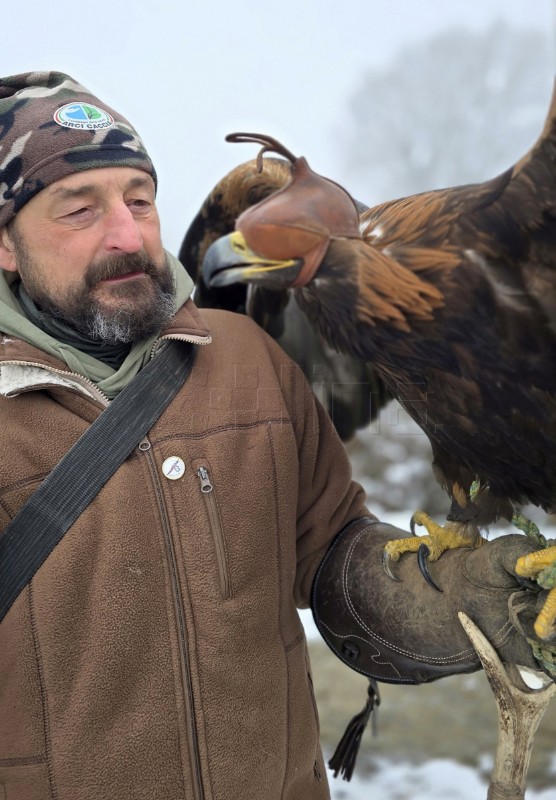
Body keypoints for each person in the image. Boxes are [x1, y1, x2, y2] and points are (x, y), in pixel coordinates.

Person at [0, 71, 551, 800]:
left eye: (140, 198)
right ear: (6, 246)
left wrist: (437, 598)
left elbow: (324, 551)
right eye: (78, 209)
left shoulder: (245, 359)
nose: (128, 234)